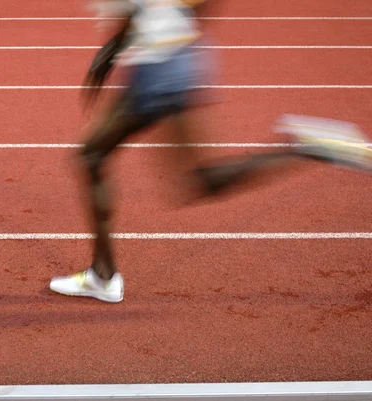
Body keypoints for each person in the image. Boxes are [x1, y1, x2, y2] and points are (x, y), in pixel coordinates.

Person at [49, 0, 372, 303]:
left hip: (158, 65)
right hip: (173, 54)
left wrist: (113, 51)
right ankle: (102, 274)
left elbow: (132, 14)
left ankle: (306, 148)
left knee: (196, 180)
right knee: (95, 158)